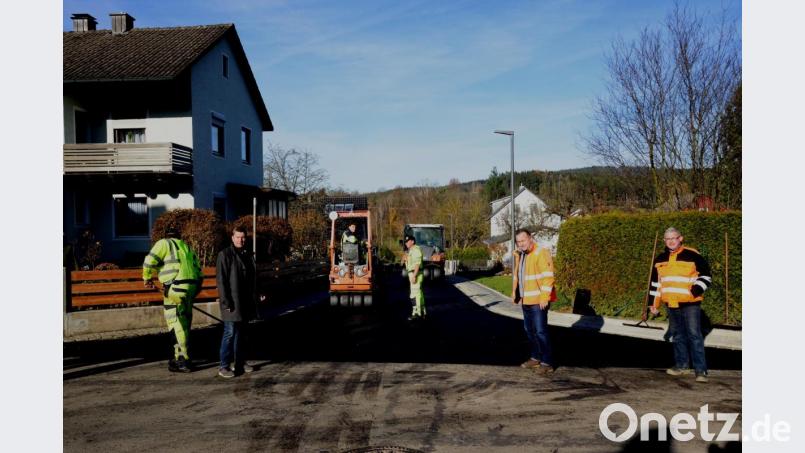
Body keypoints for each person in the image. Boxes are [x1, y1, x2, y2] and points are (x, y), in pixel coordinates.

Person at [649, 227, 712, 383]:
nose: (671, 241)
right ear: (664, 241)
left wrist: (695, 291)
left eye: (674, 238)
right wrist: (653, 304)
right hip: (671, 303)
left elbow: (706, 275)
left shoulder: (693, 255)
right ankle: (682, 366)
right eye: (667, 239)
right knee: (677, 335)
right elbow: (656, 284)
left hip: (690, 303)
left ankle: (701, 371)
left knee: (694, 335)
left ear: (680, 238)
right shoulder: (660, 259)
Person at [142, 227, 202, 373]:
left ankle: (182, 360)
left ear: (167, 236)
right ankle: (180, 356)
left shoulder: (164, 243)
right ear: (179, 236)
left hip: (175, 288)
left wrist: (147, 277)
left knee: (175, 322)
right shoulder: (187, 247)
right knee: (185, 323)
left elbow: (149, 261)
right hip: (191, 288)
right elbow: (199, 271)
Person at [216, 225, 263, 379]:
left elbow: (253, 277)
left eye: (243, 237)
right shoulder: (225, 255)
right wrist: (226, 302)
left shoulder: (247, 254)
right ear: (232, 238)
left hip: (245, 301)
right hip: (231, 302)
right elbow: (221, 281)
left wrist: (257, 293)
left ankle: (240, 362)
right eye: (238, 237)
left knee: (241, 334)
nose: (240, 240)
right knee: (230, 333)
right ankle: (224, 366)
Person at [511, 228, 556, 375]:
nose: (521, 244)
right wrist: (516, 294)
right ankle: (536, 357)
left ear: (530, 238)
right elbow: (519, 276)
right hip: (526, 300)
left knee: (540, 332)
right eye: (518, 242)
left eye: (523, 240)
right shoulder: (522, 255)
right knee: (530, 331)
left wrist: (544, 297)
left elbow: (548, 276)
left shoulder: (540, 253)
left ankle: (547, 362)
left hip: (538, 301)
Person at [403, 234, 426, 320]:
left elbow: (417, 264)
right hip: (413, 273)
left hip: (415, 274)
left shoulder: (416, 250)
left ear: (412, 241)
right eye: (405, 242)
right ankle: (422, 312)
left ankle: (417, 314)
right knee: (419, 293)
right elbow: (407, 262)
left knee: (414, 295)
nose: (406, 243)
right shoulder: (410, 251)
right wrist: (405, 259)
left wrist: (414, 276)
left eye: (408, 241)